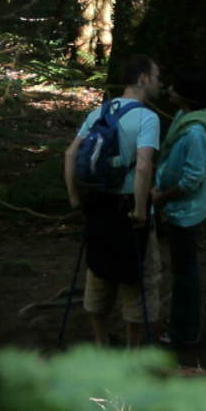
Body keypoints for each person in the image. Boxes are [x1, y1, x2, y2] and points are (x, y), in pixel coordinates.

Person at [64, 54, 162, 347]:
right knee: (138, 279)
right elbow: (144, 166)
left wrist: (73, 198)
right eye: (157, 77)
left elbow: (70, 154)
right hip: (130, 209)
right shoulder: (147, 117)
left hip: (98, 207)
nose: (160, 84)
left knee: (99, 272)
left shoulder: (99, 112)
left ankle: (101, 345)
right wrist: (142, 210)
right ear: (143, 79)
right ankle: (132, 354)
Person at [151, 69, 206, 348]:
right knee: (183, 270)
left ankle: (185, 331)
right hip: (180, 207)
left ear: (184, 94)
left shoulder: (196, 131)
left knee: (185, 273)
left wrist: (163, 197)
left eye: (174, 86)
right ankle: (181, 324)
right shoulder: (185, 118)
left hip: (186, 211)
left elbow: (192, 178)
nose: (168, 89)